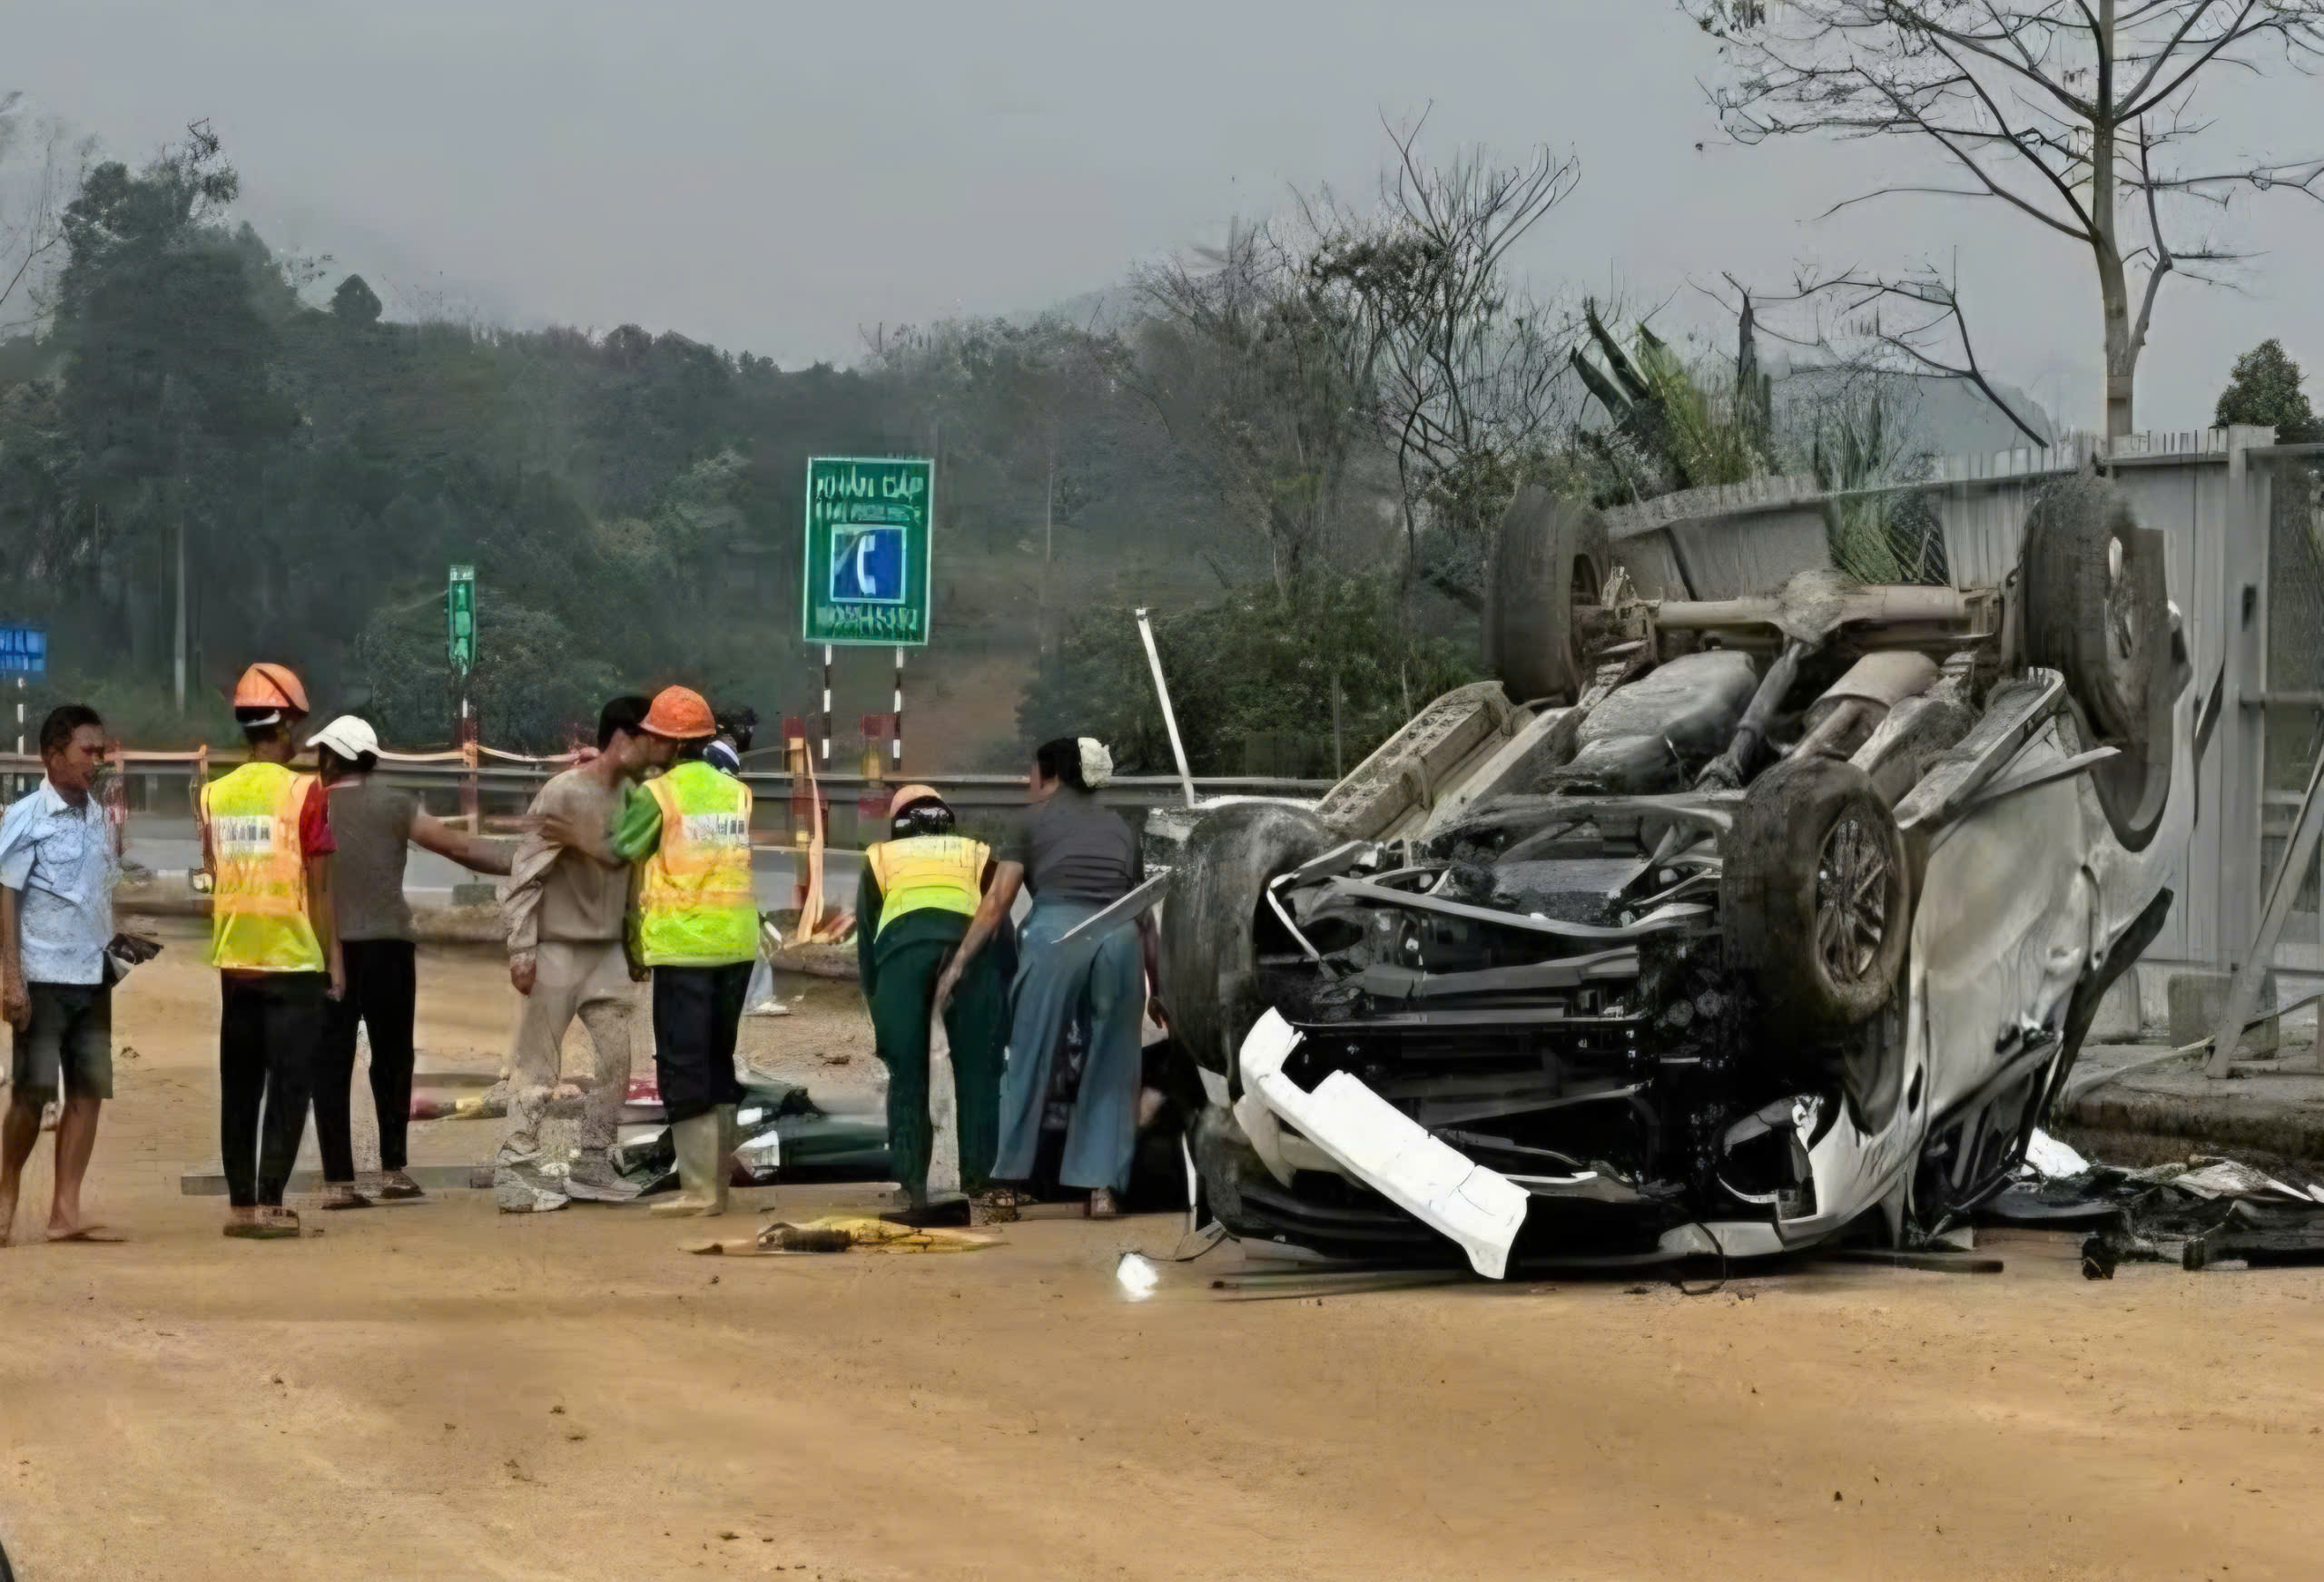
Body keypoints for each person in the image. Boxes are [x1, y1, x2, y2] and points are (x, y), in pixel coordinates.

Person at [544, 685, 753, 1218]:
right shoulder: (735, 790)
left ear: (664, 740)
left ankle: (700, 1193)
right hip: (737, 943)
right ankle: (719, 1189)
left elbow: (623, 849)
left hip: (686, 949)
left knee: (684, 1068)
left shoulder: (659, 795)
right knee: (718, 1061)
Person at [936, 736, 1162, 1222]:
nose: (1027, 781)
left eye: (1031, 773)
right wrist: (1158, 988)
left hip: (1056, 937)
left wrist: (958, 963)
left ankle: (1005, 1185)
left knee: (1030, 1058)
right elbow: (1144, 917)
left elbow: (997, 902)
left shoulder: (1028, 821)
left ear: (1050, 775)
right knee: (1113, 1067)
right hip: (1119, 940)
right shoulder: (1122, 828)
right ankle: (1100, 1189)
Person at [307, 714, 512, 1210]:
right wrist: (531, 858)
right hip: (389, 947)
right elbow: (461, 848)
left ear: (332, 758)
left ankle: (339, 1181)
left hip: (324, 947)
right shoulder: (397, 804)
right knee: (393, 1059)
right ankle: (394, 1170)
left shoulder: (311, 806)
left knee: (330, 1063)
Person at [494, 694, 655, 1214]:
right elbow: (525, 872)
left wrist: (634, 945)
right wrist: (521, 947)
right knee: (539, 1067)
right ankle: (515, 1173)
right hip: (557, 949)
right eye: (651, 739)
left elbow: (632, 877)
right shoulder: (563, 793)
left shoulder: (637, 799)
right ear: (624, 738)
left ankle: (592, 1164)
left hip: (606, 951)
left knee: (616, 1060)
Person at [202, 662, 341, 1241]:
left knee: (239, 1086)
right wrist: (334, 964)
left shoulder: (213, 795)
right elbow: (320, 889)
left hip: (235, 962)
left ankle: (240, 1206)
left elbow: (216, 873)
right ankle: (270, 1204)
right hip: (292, 961)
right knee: (289, 1085)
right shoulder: (305, 791)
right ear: (282, 725)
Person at [854, 784, 1012, 1227]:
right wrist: (1003, 1002)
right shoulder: (981, 855)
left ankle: (912, 1185)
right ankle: (979, 1182)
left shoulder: (880, 858)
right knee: (980, 1070)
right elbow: (1001, 927)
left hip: (899, 961)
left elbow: (867, 943)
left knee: (906, 1073)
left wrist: (878, 1003)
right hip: (972, 958)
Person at [0, 704, 122, 1245]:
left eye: (100, 752)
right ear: (53, 757)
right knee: (32, 1094)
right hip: (42, 975)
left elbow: (96, 889)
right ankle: (5, 1188)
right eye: (86, 752)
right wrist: (10, 977)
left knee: (88, 1091)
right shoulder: (25, 818)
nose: (96, 762)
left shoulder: (99, 814)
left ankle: (64, 1212)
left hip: (94, 974)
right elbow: (6, 898)